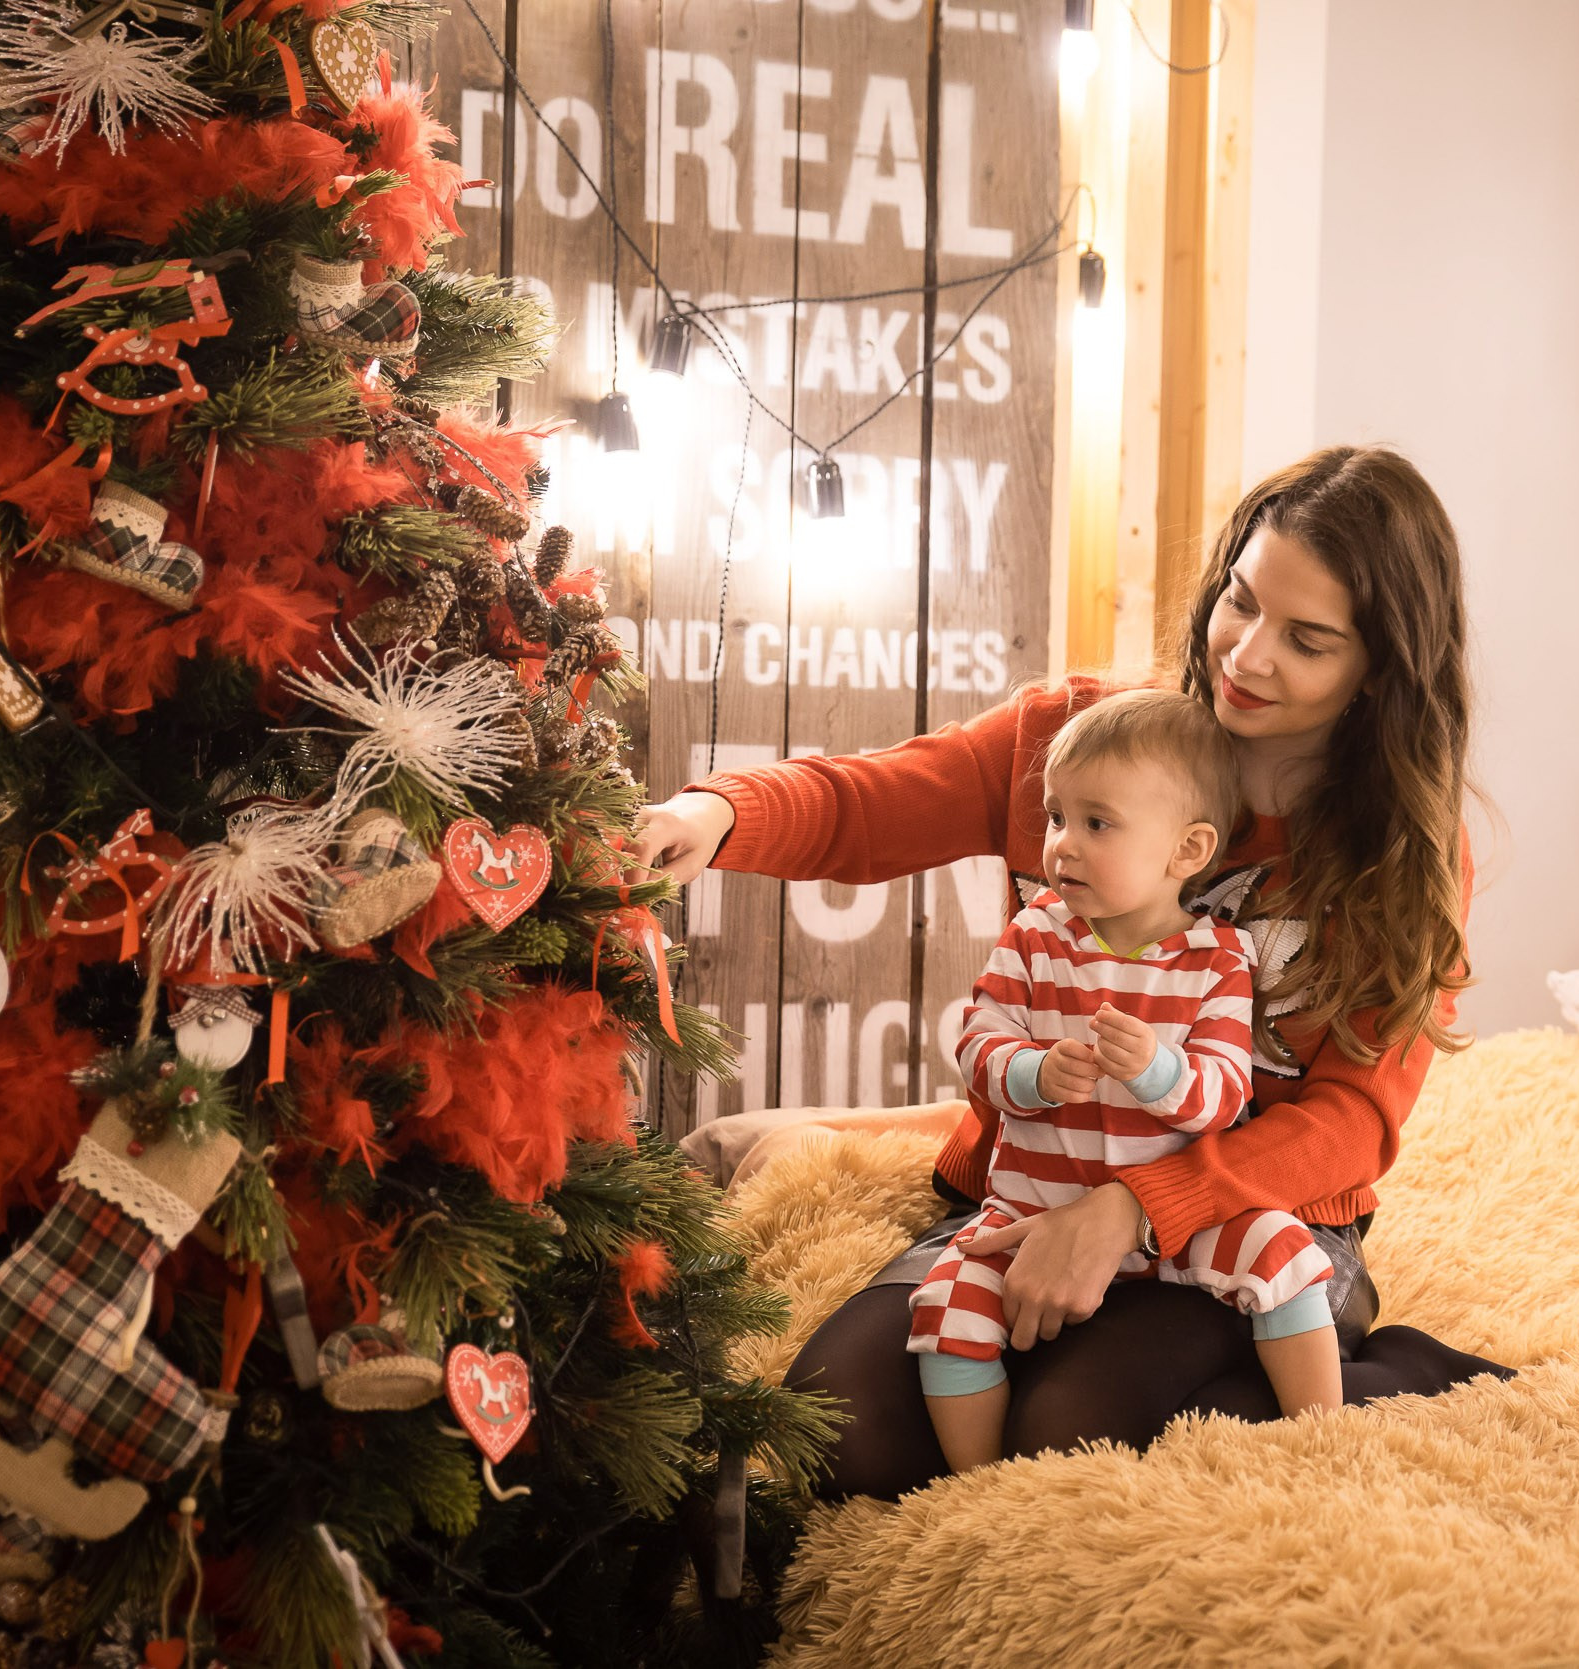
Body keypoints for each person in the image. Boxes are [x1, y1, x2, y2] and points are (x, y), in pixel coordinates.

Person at [630, 444, 1511, 1498]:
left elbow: (1352, 1120)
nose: (1248, 654)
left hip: (1256, 1224)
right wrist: (713, 813)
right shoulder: (1087, 742)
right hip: (1025, 1192)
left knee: (1068, 1429)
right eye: (1241, 601)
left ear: (1381, 671)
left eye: (1307, 641)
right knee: (841, 1429)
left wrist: (1134, 1208)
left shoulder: (1402, 851)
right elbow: (879, 797)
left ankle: (1393, 1371)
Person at [913, 690, 1341, 1472]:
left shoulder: (1218, 960)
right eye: (1054, 817)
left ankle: (1327, 1439)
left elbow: (1224, 1093)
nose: (1061, 845)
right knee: (945, 1308)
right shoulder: (1036, 935)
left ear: (1187, 850)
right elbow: (978, 1040)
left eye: (1096, 823)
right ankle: (977, 1495)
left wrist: (1157, 1071)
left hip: (1173, 1222)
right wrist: (1033, 1073)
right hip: (1033, 1209)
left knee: (1281, 1250)